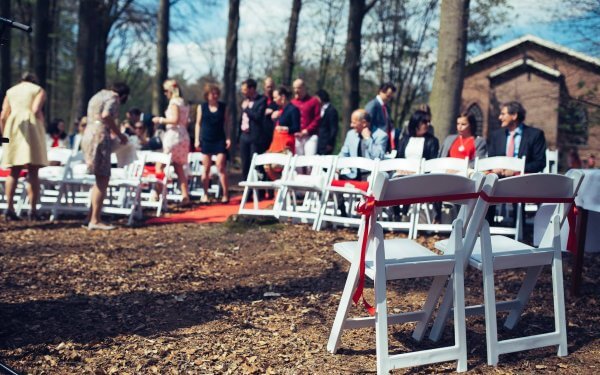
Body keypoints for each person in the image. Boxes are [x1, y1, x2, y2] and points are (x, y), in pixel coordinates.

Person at [81, 81, 130, 230]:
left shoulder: (98, 95)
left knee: (98, 177)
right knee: (103, 177)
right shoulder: (113, 98)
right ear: (123, 95)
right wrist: (119, 134)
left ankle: (90, 216)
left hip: (88, 133)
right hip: (100, 135)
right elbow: (106, 115)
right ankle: (95, 219)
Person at [0, 72, 48, 221]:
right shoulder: (38, 90)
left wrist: (4, 136)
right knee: (33, 171)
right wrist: (42, 125)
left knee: (14, 171)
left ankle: (10, 208)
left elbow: (3, 116)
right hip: (31, 127)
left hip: (13, 128)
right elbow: (35, 110)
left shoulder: (11, 91)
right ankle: (33, 210)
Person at [152, 79, 191, 206]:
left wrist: (160, 120)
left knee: (160, 165)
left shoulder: (174, 103)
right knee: (179, 167)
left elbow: (174, 119)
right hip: (183, 135)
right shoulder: (184, 103)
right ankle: (185, 195)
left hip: (174, 136)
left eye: (165, 91)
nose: (164, 94)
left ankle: (157, 193)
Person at [487, 101, 546, 176]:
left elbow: (540, 163)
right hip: (499, 179)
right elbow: (490, 159)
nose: (500, 117)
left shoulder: (535, 135)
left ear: (514, 115)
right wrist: (495, 168)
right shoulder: (496, 136)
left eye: (503, 114)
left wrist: (516, 170)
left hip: (523, 180)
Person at [194, 83, 230, 203]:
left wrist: (228, 138)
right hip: (206, 139)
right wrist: (197, 139)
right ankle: (205, 194)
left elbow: (227, 124)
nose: (215, 96)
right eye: (212, 93)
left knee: (220, 166)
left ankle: (225, 194)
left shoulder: (223, 107)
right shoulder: (202, 107)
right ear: (207, 95)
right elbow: (198, 124)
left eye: (216, 93)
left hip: (219, 139)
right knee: (206, 169)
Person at [339, 109, 388, 179]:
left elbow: (378, 157)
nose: (351, 125)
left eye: (354, 123)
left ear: (364, 123)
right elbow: (344, 154)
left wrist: (368, 139)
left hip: (370, 176)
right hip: (352, 175)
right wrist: (337, 167)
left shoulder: (381, 135)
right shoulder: (351, 134)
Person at [264, 86, 300, 181]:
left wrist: (285, 128)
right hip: (276, 144)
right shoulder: (280, 110)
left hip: (286, 145)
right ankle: (279, 186)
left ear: (282, 97)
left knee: (276, 165)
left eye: (276, 97)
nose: (274, 100)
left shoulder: (293, 109)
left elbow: (297, 127)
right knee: (267, 166)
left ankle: (283, 185)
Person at [238, 78, 267, 181]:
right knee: (245, 164)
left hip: (255, 136)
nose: (243, 92)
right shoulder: (244, 101)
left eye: (245, 89)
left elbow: (258, 117)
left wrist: (247, 109)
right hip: (244, 136)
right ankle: (248, 191)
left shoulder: (261, 100)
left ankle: (262, 189)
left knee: (256, 164)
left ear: (252, 89)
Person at [291, 79, 320, 157]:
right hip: (297, 136)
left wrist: (307, 130)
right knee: (297, 163)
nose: (296, 90)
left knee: (309, 161)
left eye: (298, 88)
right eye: (294, 88)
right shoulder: (292, 103)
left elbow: (317, 118)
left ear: (304, 88)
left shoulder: (314, 101)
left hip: (310, 136)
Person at [365, 82, 397, 152]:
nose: (389, 98)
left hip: (386, 141)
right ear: (381, 91)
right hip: (375, 140)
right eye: (388, 95)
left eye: (391, 96)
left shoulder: (387, 108)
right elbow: (367, 124)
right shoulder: (373, 105)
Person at [316, 89, 339, 155]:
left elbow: (334, 128)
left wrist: (330, 143)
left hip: (326, 143)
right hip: (319, 142)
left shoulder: (331, 110)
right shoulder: (319, 109)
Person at [262, 77, 278, 153]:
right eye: (268, 87)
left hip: (273, 133)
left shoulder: (277, 100)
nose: (270, 89)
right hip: (262, 133)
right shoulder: (260, 100)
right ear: (264, 87)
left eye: (271, 87)